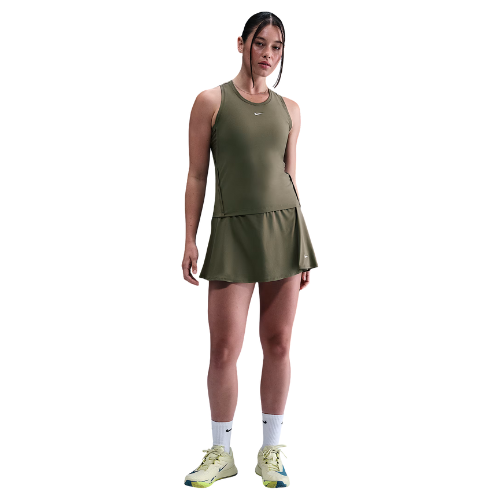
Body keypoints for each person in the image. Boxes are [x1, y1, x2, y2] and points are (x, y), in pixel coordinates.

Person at [181, 12, 318, 488]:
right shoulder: (211, 101)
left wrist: (302, 246)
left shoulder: (291, 109)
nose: (268, 54)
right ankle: (221, 452)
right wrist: (190, 237)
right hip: (232, 234)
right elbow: (196, 175)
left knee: (278, 344)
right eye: (261, 43)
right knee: (224, 349)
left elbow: (290, 178)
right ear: (241, 43)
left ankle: (270, 451)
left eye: (277, 47)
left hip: (285, 232)